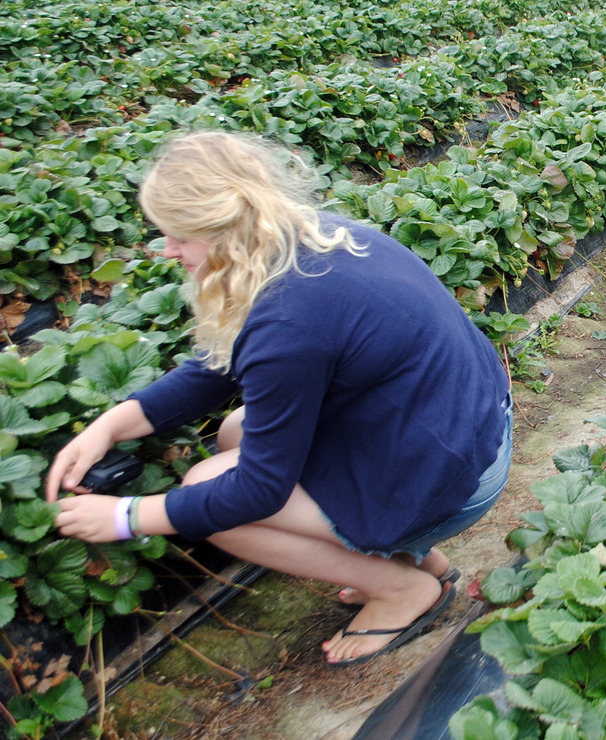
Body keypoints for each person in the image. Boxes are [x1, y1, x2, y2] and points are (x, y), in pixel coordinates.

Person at [47, 132, 513, 666]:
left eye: (178, 235)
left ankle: (401, 590)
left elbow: (259, 492)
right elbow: (218, 366)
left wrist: (127, 516)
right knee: (235, 433)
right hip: (464, 430)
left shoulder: (289, 319)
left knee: (211, 496)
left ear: (221, 230)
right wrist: (110, 425)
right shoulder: (309, 238)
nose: (168, 249)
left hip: (456, 475)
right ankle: (415, 559)